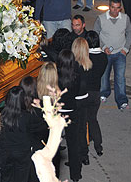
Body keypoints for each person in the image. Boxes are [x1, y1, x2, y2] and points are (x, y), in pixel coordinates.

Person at [95, 0, 131, 110]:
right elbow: (96, 34)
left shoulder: (125, 18)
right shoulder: (101, 19)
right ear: (109, 7)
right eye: (113, 7)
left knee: (120, 77)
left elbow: (130, 32)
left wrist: (125, 49)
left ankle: (122, 100)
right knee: (104, 75)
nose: (115, 10)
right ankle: (103, 93)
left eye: (117, 8)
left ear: (120, 8)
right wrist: (103, 47)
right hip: (105, 53)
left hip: (120, 53)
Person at [56, 49, 84, 182]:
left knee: (54, 144)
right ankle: (76, 174)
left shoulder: (56, 76)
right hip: (72, 112)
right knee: (74, 144)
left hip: (58, 112)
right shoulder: (76, 75)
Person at [0, 86, 36, 182]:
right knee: (22, 177)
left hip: (6, 151)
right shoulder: (27, 116)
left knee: (7, 177)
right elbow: (31, 134)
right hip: (22, 152)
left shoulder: (1, 115)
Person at [82, 31, 107, 156]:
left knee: (83, 120)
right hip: (96, 91)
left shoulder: (86, 58)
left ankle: (84, 147)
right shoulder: (103, 57)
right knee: (93, 119)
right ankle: (98, 145)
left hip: (85, 92)